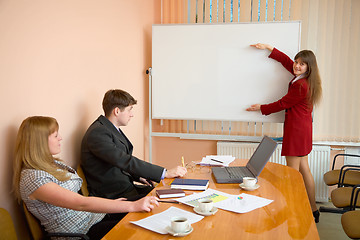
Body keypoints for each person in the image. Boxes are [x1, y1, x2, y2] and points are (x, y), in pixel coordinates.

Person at [13, 116, 159, 239]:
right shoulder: (33, 178)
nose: (61, 138)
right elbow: (80, 203)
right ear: (40, 141)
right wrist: (132, 206)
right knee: (140, 225)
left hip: (92, 217)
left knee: (151, 204)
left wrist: (114, 204)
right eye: (56, 135)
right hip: (80, 232)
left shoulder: (53, 163)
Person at [246, 43, 322, 223]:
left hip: (296, 132)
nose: (296, 65)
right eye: (297, 62)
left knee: (291, 176)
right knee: (305, 170)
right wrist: (269, 48)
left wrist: (261, 108)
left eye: (301, 63)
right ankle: (313, 210)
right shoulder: (305, 78)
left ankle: (292, 209)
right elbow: (288, 63)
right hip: (303, 130)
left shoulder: (301, 85)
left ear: (308, 67)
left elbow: (283, 104)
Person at [81, 89, 187, 201]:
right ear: (117, 111)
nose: (132, 115)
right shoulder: (98, 133)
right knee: (167, 200)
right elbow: (123, 160)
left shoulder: (108, 128)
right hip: (114, 197)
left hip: (125, 188)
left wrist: (140, 177)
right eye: (129, 110)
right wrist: (165, 173)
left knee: (175, 194)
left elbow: (117, 162)